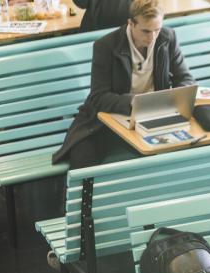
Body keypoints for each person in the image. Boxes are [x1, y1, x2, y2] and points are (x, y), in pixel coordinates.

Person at [51, 0, 195, 169]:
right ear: (131, 23)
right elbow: (98, 97)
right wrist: (133, 102)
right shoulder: (105, 46)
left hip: (151, 119)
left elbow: (186, 80)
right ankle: (85, 195)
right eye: (146, 31)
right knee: (82, 156)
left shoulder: (167, 38)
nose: (152, 37)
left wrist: (172, 99)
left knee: (189, 148)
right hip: (107, 122)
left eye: (156, 30)